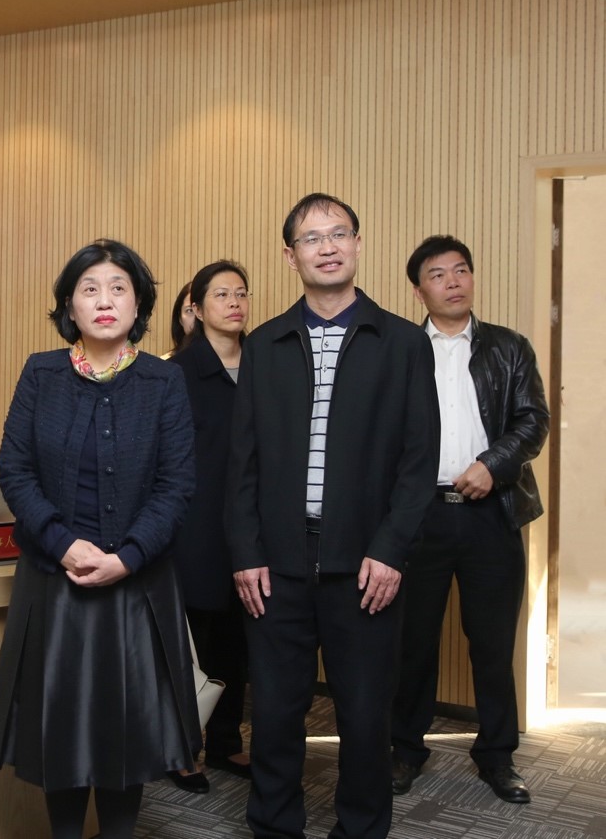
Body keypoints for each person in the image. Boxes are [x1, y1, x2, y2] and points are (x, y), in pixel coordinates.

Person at [226, 192, 439, 839]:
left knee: (366, 719)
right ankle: (274, 827)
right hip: (277, 565)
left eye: (339, 233)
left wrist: (391, 550)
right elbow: (242, 464)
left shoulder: (403, 343)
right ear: (289, 255)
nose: (327, 246)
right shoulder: (264, 344)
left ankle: (362, 829)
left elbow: (418, 463)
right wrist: (246, 552)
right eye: (311, 238)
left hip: (366, 564)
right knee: (275, 717)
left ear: (358, 245)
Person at [0, 239, 199, 839]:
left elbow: (177, 485)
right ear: (69, 307)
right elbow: (14, 470)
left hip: (137, 586)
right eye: (89, 289)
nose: (105, 300)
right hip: (56, 583)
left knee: (127, 737)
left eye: (118, 288)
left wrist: (127, 556)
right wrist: (62, 544)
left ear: (139, 304)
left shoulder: (163, 381)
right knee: (61, 735)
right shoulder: (41, 373)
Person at [390, 235, 549, 804]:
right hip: (418, 517)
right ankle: (405, 750)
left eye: (461, 270)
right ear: (419, 291)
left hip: (491, 515)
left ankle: (498, 756)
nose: (453, 281)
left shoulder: (509, 347)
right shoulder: (402, 349)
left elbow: (533, 421)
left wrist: (492, 465)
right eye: (438, 274)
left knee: (492, 644)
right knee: (412, 642)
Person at [166, 260, 253, 794]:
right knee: (193, 641)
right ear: (196, 307)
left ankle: (224, 741)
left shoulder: (264, 362)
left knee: (238, 638)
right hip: (196, 525)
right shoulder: (177, 371)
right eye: (221, 294)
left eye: (241, 293)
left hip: (252, 524)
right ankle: (182, 749)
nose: (234, 302)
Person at [163, 281, 197, 357]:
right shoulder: (165, 362)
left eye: (202, 310)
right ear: (180, 318)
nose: (197, 318)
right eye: (190, 310)